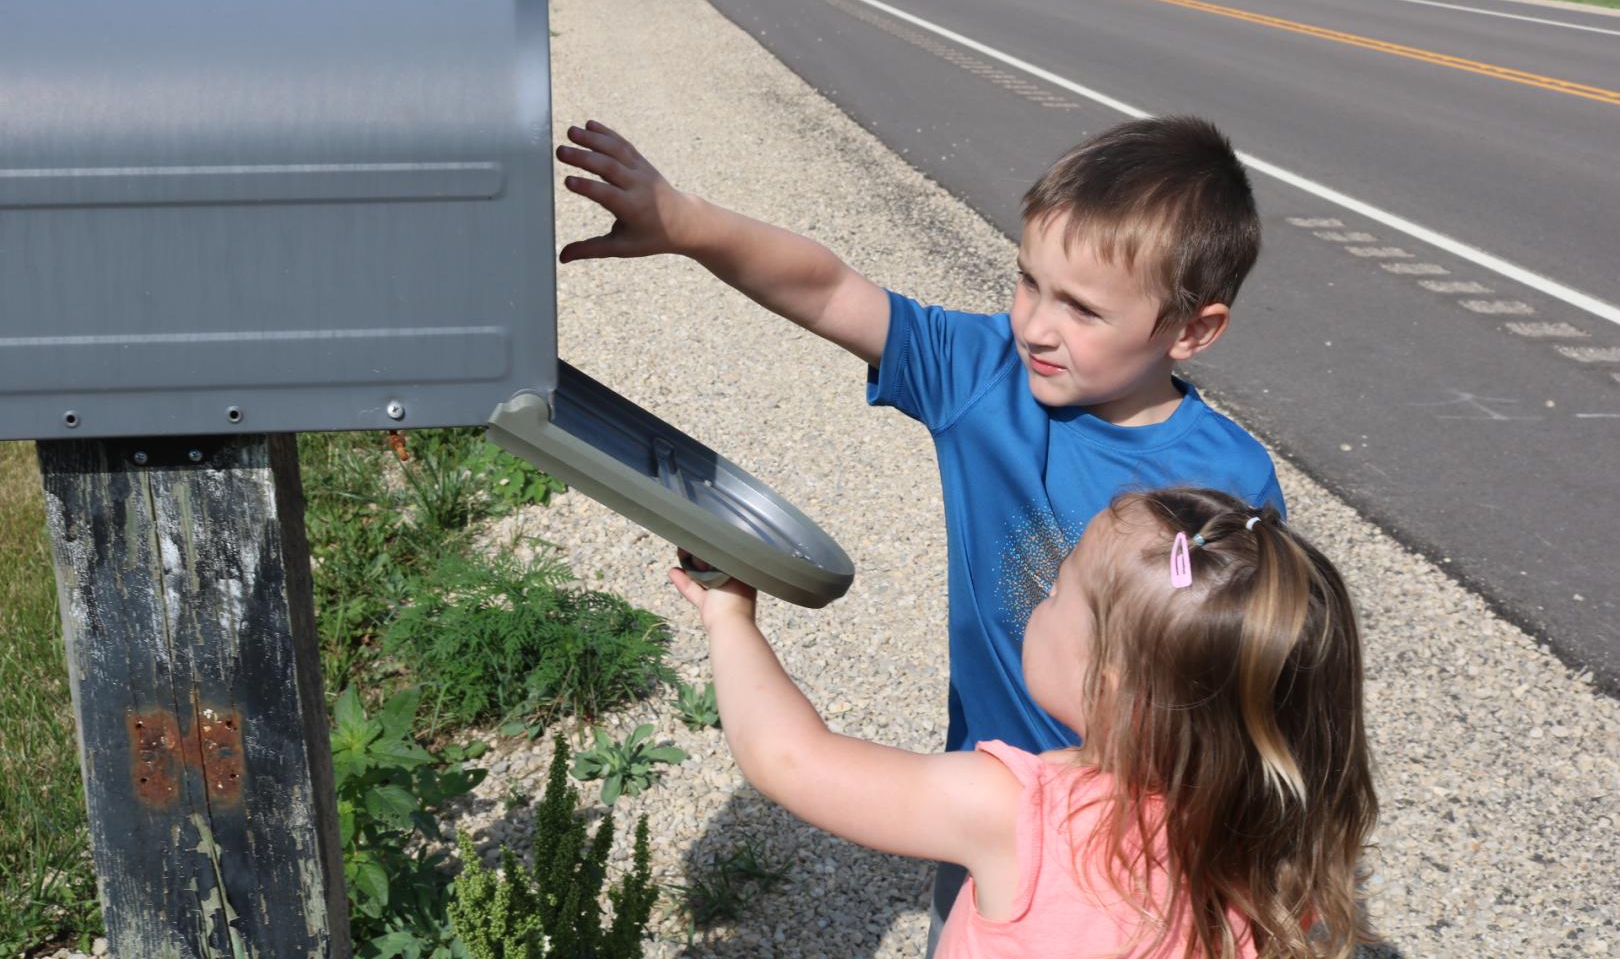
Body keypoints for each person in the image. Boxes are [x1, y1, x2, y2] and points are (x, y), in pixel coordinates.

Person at [556, 114, 1286, 942]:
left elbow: (1253, 673)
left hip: (1152, 830)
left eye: (1082, 309)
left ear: (1193, 329)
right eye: (1028, 282)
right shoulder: (987, 376)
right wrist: (686, 222)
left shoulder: (1231, 483)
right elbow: (833, 291)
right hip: (997, 795)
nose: (1036, 325)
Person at [669, 489, 1378, 959]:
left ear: (1106, 684)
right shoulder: (1287, 855)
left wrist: (730, 617)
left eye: (1058, 587)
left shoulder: (1021, 810)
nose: (1041, 593)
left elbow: (788, 759)